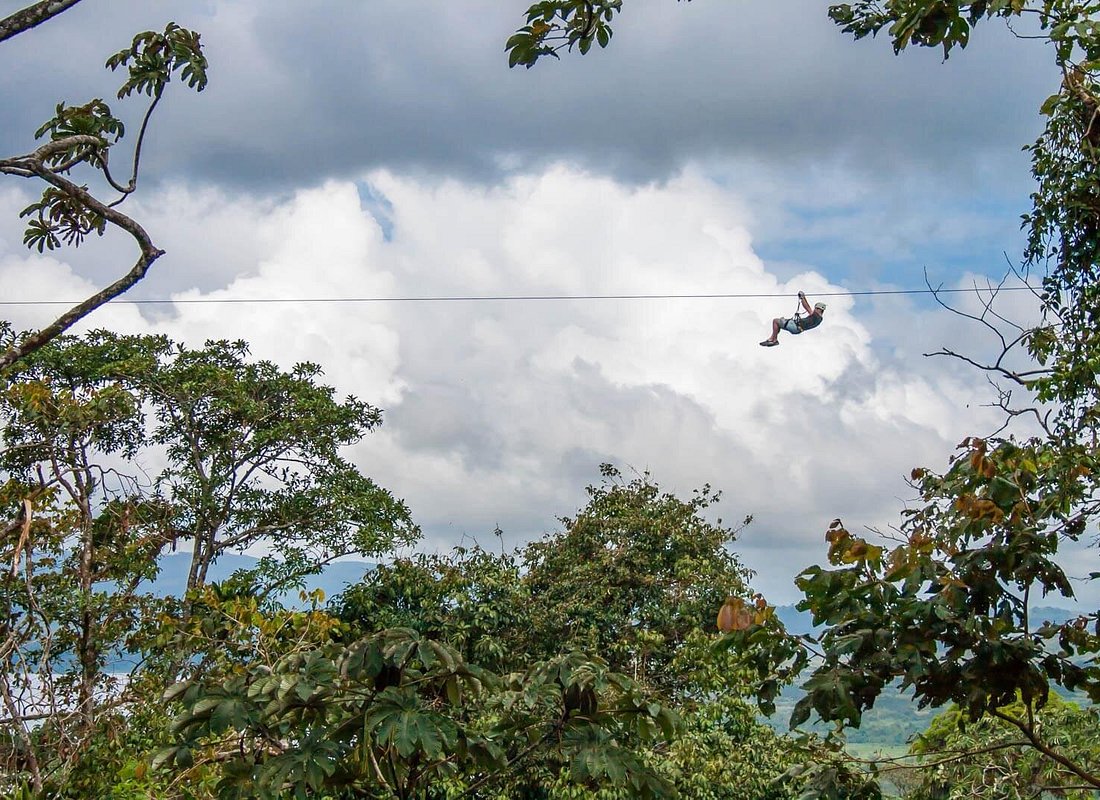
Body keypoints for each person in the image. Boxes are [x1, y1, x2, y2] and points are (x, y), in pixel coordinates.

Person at [760, 291, 825, 347]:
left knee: (775, 321)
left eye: (815, 308)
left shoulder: (816, 316)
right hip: (797, 329)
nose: (814, 309)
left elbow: (807, 308)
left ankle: (773, 340)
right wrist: (802, 298)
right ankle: (773, 338)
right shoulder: (819, 319)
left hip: (795, 326)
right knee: (779, 323)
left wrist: (803, 297)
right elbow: (808, 309)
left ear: (818, 309)